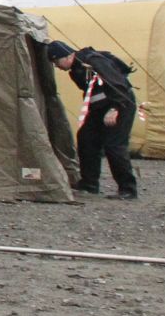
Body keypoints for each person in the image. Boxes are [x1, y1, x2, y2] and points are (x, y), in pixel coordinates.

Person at [48, 41, 139, 199]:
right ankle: (89, 184)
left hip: (120, 103)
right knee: (86, 138)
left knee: (114, 145)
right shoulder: (75, 70)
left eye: (57, 62)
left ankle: (128, 189)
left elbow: (117, 83)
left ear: (68, 55)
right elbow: (91, 91)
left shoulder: (93, 61)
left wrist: (115, 108)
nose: (57, 66)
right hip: (98, 107)